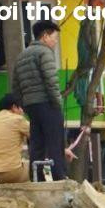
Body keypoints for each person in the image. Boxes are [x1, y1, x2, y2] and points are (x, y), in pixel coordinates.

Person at [12, 22, 67, 180]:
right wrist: (58, 103)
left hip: (31, 105)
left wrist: (24, 104)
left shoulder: (21, 56)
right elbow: (51, 81)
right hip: (47, 102)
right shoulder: (45, 52)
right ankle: (59, 176)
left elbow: (15, 86)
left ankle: (36, 176)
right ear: (45, 36)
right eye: (54, 38)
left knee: (37, 143)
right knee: (55, 141)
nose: (55, 42)